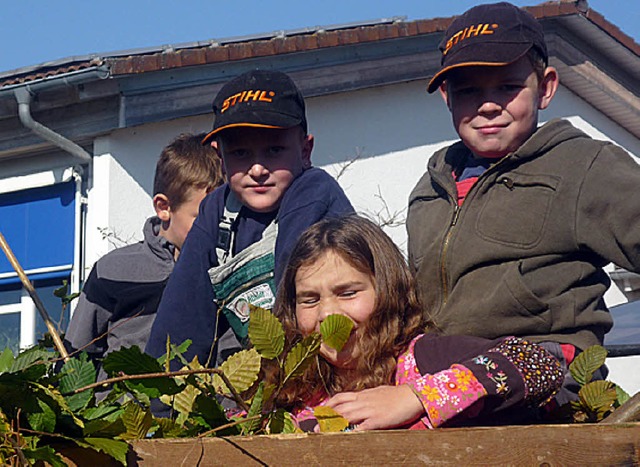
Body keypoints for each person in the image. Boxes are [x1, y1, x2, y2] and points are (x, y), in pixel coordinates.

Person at [406, 2, 640, 407]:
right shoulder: (430, 188)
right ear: (446, 96)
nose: (488, 105)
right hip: (447, 377)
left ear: (546, 87)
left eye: (507, 87)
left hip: (548, 368)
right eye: (468, 91)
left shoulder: (584, 167)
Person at [267, 215, 563, 432]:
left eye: (348, 293)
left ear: (386, 290)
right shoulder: (292, 389)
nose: (327, 315)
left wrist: (415, 397)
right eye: (309, 299)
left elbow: (538, 363)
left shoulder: (425, 359)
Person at [145, 69, 354, 369]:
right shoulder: (217, 211)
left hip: (333, 367)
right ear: (221, 159)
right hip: (270, 373)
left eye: (274, 150)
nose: (257, 169)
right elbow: (181, 318)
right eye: (241, 153)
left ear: (305, 150)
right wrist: (162, 400)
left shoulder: (315, 194)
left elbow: (288, 293)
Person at [64, 132, 223, 376]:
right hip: (124, 409)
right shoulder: (114, 270)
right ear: (164, 208)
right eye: (202, 216)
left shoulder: (225, 269)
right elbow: (75, 357)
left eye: (221, 216)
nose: (213, 226)